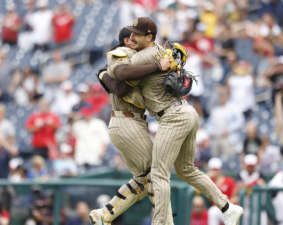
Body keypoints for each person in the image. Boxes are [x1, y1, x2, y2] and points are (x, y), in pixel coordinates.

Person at [98, 17, 243, 225]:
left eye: (136, 34)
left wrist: (104, 73)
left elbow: (120, 74)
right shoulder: (157, 50)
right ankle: (228, 208)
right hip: (187, 112)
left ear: (149, 37)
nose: (131, 38)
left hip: (172, 116)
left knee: (158, 173)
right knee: (186, 170)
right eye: (130, 34)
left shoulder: (144, 55)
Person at [89, 27, 174, 225]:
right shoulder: (123, 54)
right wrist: (157, 66)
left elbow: (118, 82)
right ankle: (165, 222)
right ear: (127, 41)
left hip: (128, 122)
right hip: (127, 122)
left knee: (144, 179)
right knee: (155, 176)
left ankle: (104, 214)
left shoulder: (132, 58)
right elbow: (122, 85)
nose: (138, 39)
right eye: (134, 36)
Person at [206, 87, 244, 159]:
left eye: (224, 95)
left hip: (228, 138)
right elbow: (210, 124)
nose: (222, 97)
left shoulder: (233, 107)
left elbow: (240, 120)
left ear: (227, 96)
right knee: (215, 158)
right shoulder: (215, 109)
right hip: (216, 138)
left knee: (228, 158)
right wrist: (212, 132)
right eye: (221, 95)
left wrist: (229, 129)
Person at [206, 158, 238, 225]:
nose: (214, 172)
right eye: (212, 170)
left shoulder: (229, 180)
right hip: (217, 210)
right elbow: (195, 189)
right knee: (213, 211)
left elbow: (235, 197)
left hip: (230, 209)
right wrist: (206, 176)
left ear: (220, 169)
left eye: (216, 170)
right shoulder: (208, 182)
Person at [237, 155, 267, 225]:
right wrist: (254, 183)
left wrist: (247, 186)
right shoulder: (241, 174)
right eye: (249, 166)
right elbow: (239, 187)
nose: (250, 168)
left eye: (252, 166)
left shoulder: (259, 174)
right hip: (245, 207)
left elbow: (263, 184)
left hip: (258, 208)